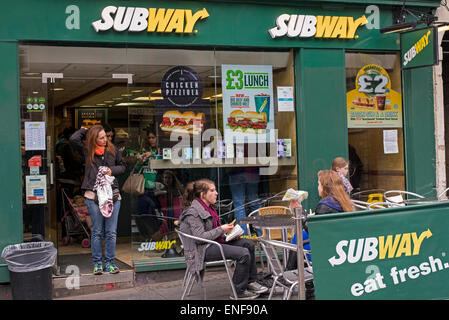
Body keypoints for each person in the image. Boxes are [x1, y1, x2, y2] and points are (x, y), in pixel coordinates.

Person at [179, 179, 269, 299]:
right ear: (203, 194)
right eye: (212, 190)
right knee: (243, 254)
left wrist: (229, 234)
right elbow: (199, 238)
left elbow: (213, 231)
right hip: (201, 250)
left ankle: (250, 282)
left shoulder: (209, 208)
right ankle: (238, 291)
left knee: (248, 243)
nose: (216, 193)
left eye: (215, 190)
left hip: (214, 242)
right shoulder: (193, 212)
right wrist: (222, 230)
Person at [70, 125, 125, 275]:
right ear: (94, 138)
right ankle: (97, 264)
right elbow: (73, 139)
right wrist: (84, 130)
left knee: (111, 232)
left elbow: (123, 166)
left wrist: (111, 170)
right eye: (101, 137)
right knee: (97, 232)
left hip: (112, 196)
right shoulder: (88, 151)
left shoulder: (113, 150)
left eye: (106, 137)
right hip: (93, 196)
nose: (105, 140)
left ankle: (110, 263)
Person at [135, 128, 163, 240]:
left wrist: (152, 155)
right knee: (142, 213)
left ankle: (159, 236)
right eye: (149, 138)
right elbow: (137, 168)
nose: (151, 140)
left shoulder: (162, 150)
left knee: (159, 214)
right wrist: (141, 161)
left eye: (153, 137)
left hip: (157, 187)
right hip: (145, 188)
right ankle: (153, 235)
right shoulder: (144, 150)